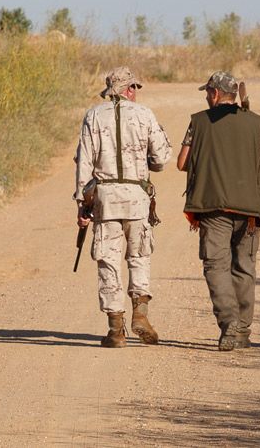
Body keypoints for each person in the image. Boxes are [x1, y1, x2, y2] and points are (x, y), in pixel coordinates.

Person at [178, 71, 260, 351]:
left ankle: (229, 322)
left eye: (207, 93)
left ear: (215, 94)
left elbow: (182, 162)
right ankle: (243, 330)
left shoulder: (198, 123)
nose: (206, 98)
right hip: (250, 211)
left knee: (216, 266)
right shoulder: (257, 123)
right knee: (245, 267)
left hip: (213, 207)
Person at [74, 66, 172, 347]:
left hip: (105, 198)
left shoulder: (93, 116)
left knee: (108, 261)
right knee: (139, 256)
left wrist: (82, 204)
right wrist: (148, 162)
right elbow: (162, 157)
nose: (136, 93)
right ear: (129, 90)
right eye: (135, 88)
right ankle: (140, 314)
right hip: (137, 197)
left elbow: (84, 163)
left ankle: (115, 329)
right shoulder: (145, 115)